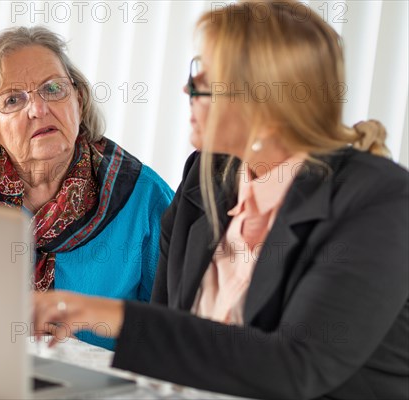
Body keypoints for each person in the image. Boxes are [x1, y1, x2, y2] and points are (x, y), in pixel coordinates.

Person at [33, 2, 409, 398]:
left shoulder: (380, 200)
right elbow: (167, 342)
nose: (187, 89)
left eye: (205, 76)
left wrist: (108, 314)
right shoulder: (206, 175)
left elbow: (298, 367)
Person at [0, 26, 174, 348]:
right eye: (13, 99)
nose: (38, 109)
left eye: (53, 88)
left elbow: (177, 331)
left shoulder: (143, 197)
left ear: (78, 98)